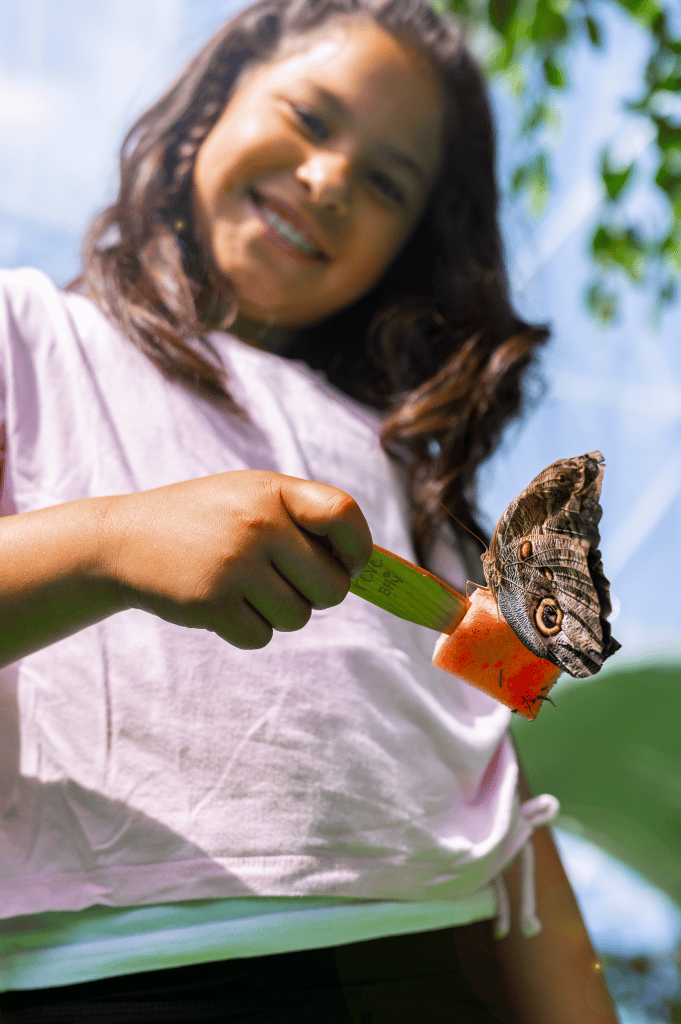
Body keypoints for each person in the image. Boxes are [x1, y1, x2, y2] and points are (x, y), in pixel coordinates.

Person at [0, 0, 619, 1020]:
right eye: (310, 117)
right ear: (210, 108)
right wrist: (112, 544)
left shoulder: (398, 465)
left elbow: (494, 794)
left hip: (436, 965)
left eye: (386, 183)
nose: (328, 180)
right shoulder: (33, 338)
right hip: (117, 962)